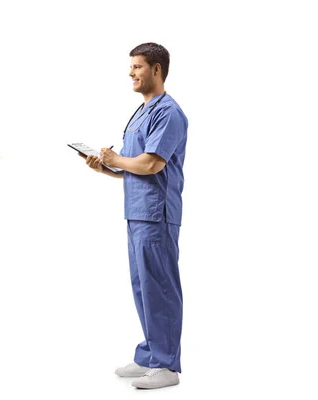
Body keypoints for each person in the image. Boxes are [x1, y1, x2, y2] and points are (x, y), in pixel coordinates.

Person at [80, 42, 188, 390]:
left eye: (137, 66)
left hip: (157, 213)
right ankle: (150, 356)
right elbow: (132, 166)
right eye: (131, 67)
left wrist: (118, 161)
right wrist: (105, 167)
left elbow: (152, 162)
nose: (131, 72)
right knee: (143, 287)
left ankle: (167, 365)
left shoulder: (168, 112)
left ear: (157, 69)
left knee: (160, 287)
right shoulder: (142, 111)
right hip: (137, 212)